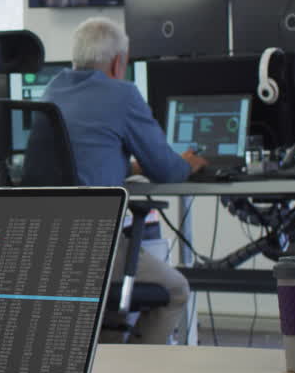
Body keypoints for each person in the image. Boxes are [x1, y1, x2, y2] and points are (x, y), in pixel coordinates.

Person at [40, 17, 207, 344]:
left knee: (112, 309)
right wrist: (188, 163)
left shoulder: (52, 90)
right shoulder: (122, 94)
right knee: (176, 290)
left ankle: (110, 363)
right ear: (119, 63)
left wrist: (126, 167)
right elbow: (168, 171)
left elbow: (76, 160)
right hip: (95, 244)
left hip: (48, 243)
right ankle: (138, 371)